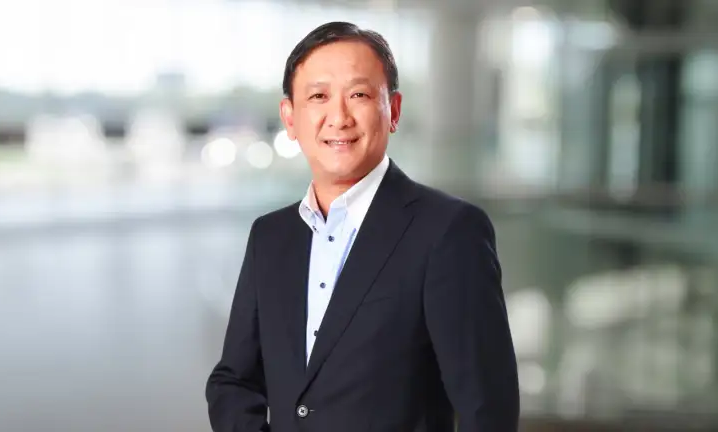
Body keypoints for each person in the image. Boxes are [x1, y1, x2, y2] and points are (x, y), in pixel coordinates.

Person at [205, 21, 519, 432]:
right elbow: (233, 380)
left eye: (359, 95)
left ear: (394, 110)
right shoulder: (270, 237)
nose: (339, 117)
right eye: (318, 96)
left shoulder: (448, 232)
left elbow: (488, 410)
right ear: (290, 118)